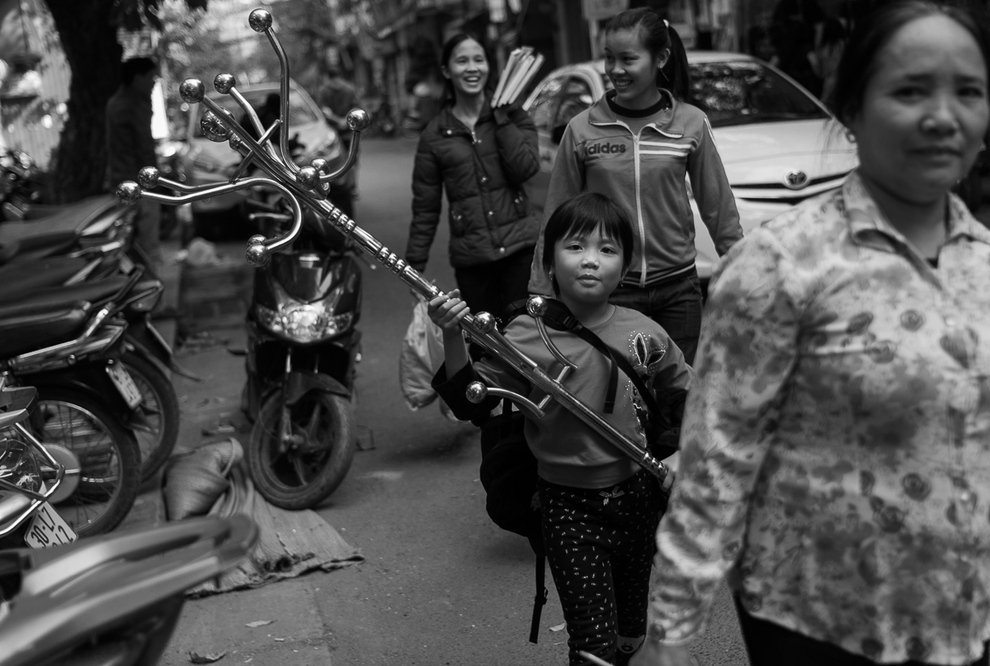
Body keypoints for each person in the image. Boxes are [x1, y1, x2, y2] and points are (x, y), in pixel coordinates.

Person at [633, 2, 990, 665]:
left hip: (962, 618)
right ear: (850, 109)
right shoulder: (783, 264)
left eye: (968, 91)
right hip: (818, 623)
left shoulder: (983, 262)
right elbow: (715, 462)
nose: (943, 116)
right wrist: (672, 636)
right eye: (910, 90)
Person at [430, 192, 692, 666]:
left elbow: (697, 398)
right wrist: (452, 333)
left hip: (639, 499)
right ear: (549, 260)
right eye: (576, 246)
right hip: (567, 507)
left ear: (626, 265)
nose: (591, 260)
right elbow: (470, 398)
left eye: (607, 250)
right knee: (593, 645)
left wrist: (682, 454)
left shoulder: (644, 332)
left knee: (632, 630)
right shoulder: (526, 333)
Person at [527, 8, 742, 365]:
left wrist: (744, 271)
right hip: (610, 291)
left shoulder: (690, 123)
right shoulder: (582, 129)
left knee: (678, 401)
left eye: (628, 59)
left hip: (679, 290)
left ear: (661, 58)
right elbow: (556, 215)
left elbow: (718, 207)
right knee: (621, 403)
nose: (615, 70)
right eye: (609, 58)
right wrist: (541, 288)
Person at [404, 32, 540, 321]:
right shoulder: (434, 135)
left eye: (479, 60)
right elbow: (425, 206)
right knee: (485, 349)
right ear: (446, 71)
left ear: (488, 66)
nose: (472, 68)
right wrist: (414, 264)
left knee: (529, 341)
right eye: (462, 61)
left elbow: (524, 169)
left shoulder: (514, 116)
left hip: (521, 251)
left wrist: (501, 120)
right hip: (472, 260)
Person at [105, 56, 163, 277]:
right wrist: (154, 183)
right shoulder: (131, 105)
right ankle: (152, 296)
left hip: (122, 182)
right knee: (147, 245)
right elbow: (143, 147)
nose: (153, 82)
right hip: (139, 185)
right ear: (137, 79)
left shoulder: (117, 102)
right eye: (151, 78)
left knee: (131, 246)